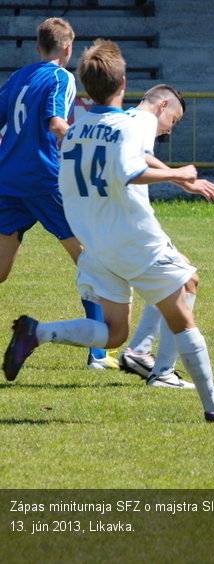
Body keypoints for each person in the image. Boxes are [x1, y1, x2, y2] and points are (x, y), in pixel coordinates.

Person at [2, 39, 214, 422]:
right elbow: (129, 170)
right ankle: (213, 404)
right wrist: (177, 174)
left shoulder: (76, 129)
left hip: (97, 246)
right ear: (123, 83)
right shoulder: (125, 126)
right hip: (134, 240)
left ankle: (40, 332)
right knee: (183, 308)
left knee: (114, 333)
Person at [0, 17, 118, 371]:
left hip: (8, 181)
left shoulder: (18, 77)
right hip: (45, 180)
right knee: (89, 259)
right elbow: (56, 124)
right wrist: (88, 146)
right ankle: (98, 354)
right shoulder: (61, 77)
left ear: (38, 47)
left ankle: (96, 350)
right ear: (68, 49)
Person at [116, 84, 214, 390]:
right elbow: (141, 160)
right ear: (162, 106)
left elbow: (139, 158)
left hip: (112, 223)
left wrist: (180, 180)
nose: (169, 131)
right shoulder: (145, 121)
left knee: (179, 279)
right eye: (173, 121)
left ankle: (140, 351)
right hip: (133, 224)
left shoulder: (125, 118)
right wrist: (182, 178)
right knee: (186, 280)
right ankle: (160, 370)